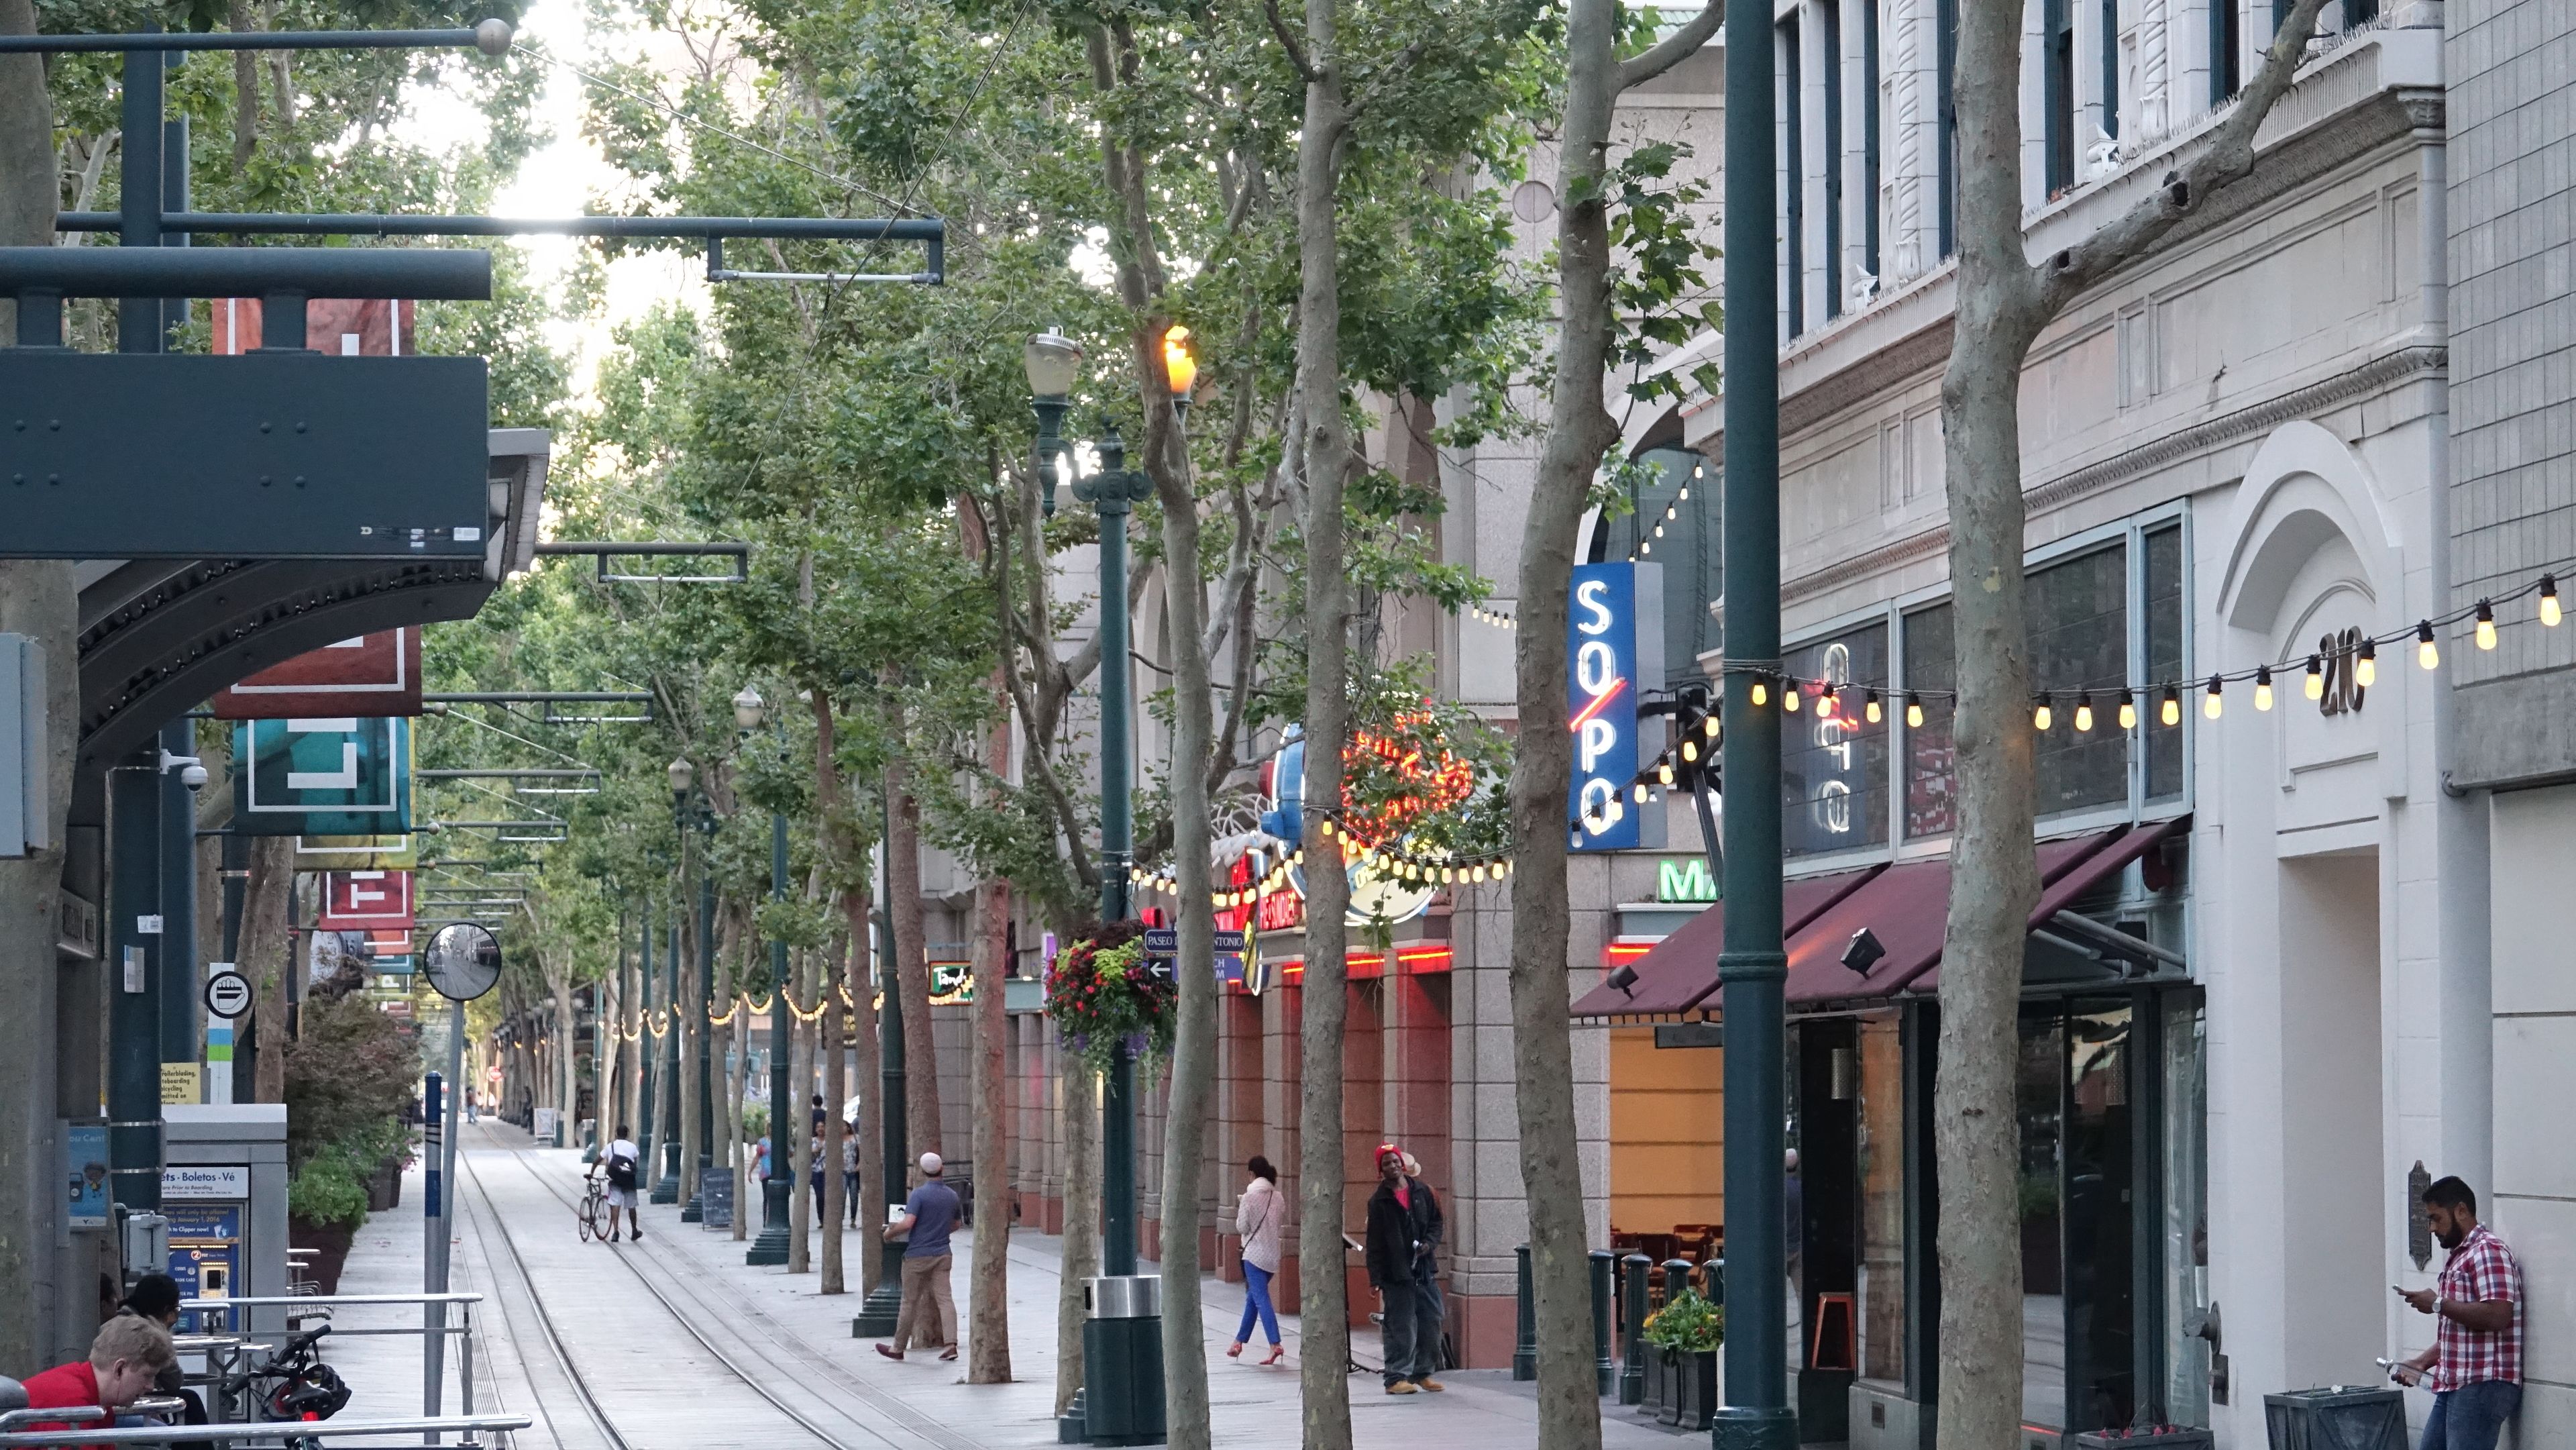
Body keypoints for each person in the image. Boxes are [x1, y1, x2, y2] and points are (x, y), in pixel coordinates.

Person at [2392, 1176, 2522, 1450]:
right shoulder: (2462, 1256)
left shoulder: (2488, 1251)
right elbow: (2463, 1335)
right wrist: (2420, 1363)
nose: (2431, 1228)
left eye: (2436, 1218)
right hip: (2456, 1383)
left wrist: (2438, 1303)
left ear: (2461, 1210)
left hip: (2482, 1384)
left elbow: (2498, 1315)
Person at [20, 1314, 176, 1450]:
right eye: (147, 1375)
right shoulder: (74, 1406)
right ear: (119, 1369)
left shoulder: (95, 1403)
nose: (150, 1386)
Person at [1362, 1141, 1444, 1394]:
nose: (1393, 1166)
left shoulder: (1423, 1192)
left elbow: (1435, 1224)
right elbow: (1374, 1243)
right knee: (1402, 1326)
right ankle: (1396, 1377)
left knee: (1432, 1318)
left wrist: (1429, 1245)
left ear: (1403, 1165)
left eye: (1396, 1161)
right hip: (1396, 1274)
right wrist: (1375, 1278)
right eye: (1387, 1163)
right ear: (1381, 1170)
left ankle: (1423, 1372)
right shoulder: (1379, 1202)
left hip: (1423, 1270)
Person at [875, 1151, 962, 1362]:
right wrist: (940, 1233)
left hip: (917, 1255)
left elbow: (908, 1223)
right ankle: (951, 1345)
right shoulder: (952, 1195)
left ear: (922, 1171)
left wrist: (888, 1234)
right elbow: (957, 1224)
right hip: (943, 1253)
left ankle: (898, 1347)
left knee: (909, 1302)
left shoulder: (919, 1195)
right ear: (942, 1169)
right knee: (945, 1299)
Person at [114, 1275, 208, 1428]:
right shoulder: (148, 1332)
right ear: (166, 1309)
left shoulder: (119, 1320)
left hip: (123, 1398)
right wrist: (163, 1332)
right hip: (127, 1401)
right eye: (176, 1309)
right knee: (190, 1400)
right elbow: (174, 1381)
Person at [1228, 1155, 1285, 1365]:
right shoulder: (1278, 1197)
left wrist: (1243, 1204)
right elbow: (1277, 1223)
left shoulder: (1249, 1197)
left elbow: (1242, 1227)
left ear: (1251, 1174)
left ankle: (1274, 1343)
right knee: (1253, 1298)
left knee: (1261, 1300)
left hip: (1253, 1256)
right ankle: (1238, 1342)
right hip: (1272, 1257)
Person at [591, 1125, 643, 1242]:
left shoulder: (610, 1146)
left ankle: (615, 1232)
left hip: (615, 1179)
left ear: (616, 1133)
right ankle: (634, 1230)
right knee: (631, 1205)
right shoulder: (633, 1147)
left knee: (615, 1204)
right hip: (629, 1180)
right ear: (627, 1134)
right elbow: (634, 1164)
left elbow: (597, 1160)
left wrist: (592, 1172)